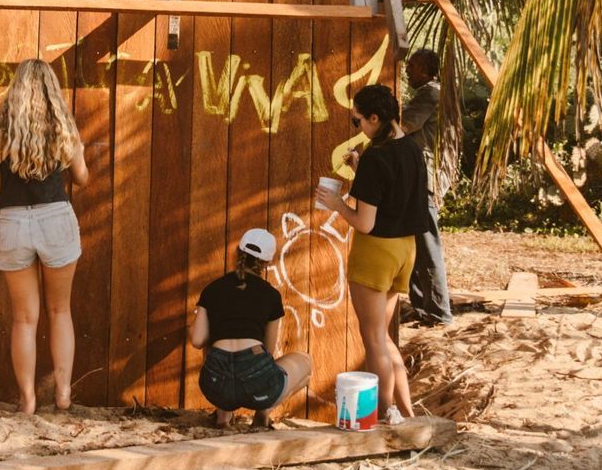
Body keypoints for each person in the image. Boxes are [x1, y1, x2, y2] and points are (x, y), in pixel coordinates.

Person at [0, 59, 92, 414]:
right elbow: (82, 177)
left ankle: (27, 401)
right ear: (51, 89)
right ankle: (63, 395)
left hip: (12, 222)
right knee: (60, 311)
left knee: (24, 318)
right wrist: (79, 152)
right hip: (55, 217)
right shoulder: (63, 124)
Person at [313, 83, 428, 424]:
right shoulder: (410, 148)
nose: (358, 127)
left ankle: (386, 412)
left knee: (373, 338)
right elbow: (392, 188)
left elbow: (364, 222)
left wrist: (336, 204)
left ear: (375, 118)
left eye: (358, 120)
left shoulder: (376, 158)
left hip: (376, 252)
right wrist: (360, 167)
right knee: (384, 337)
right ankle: (407, 411)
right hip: (405, 250)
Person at [188, 228, 311, 428]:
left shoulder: (212, 288)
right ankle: (262, 414)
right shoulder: (271, 295)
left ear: (237, 253)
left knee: (214, 347)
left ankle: (222, 416)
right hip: (257, 380)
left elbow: (197, 340)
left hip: (216, 385)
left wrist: (190, 327)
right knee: (306, 362)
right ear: (267, 263)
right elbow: (268, 351)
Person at [400, 47, 455, 325]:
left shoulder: (429, 93)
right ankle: (422, 305)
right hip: (417, 178)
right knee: (415, 244)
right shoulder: (432, 92)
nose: (407, 71)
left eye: (412, 66)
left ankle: (438, 311)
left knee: (427, 244)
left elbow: (405, 124)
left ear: (425, 69)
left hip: (424, 180)